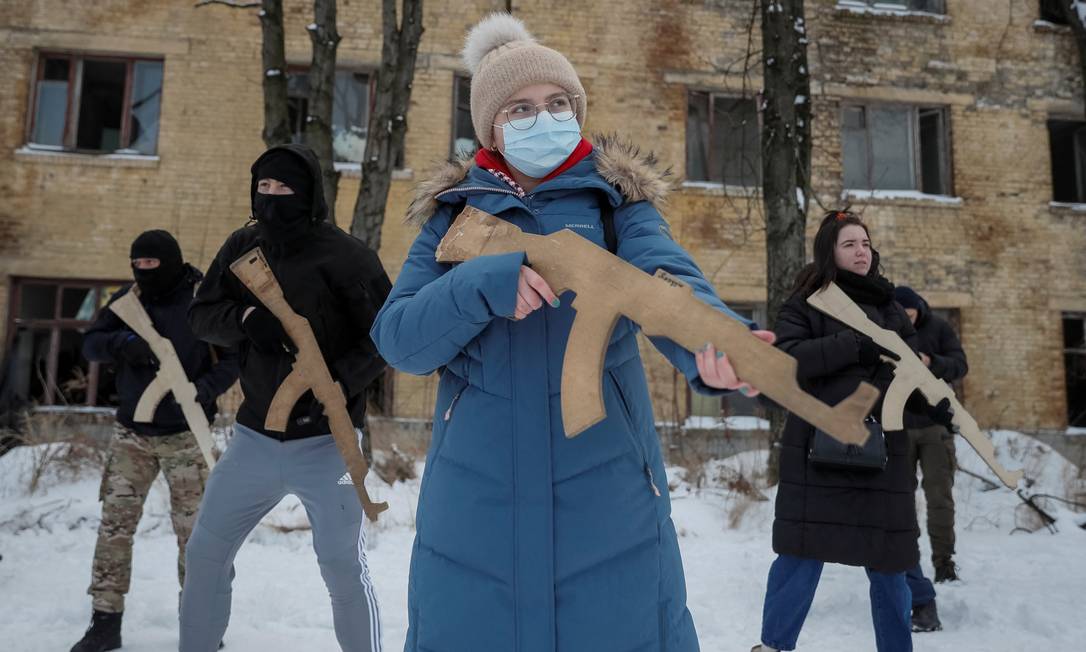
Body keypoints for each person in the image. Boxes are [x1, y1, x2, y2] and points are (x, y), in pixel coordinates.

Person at [370, 13, 771, 652]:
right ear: (491, 128)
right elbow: (398, 338)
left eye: (559, 103)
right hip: (476, 509)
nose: (545, 117)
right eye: (522, 108)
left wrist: (715, 338)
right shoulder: (452, 220)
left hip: (608, 494)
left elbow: (666, 276)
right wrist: (483, 283)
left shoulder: (616, 206)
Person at [180, 144, 392, 652]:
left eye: (284, 188)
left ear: (310, 193)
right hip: (253, 439)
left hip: (329, 445)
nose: (272, 197)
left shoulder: (348, 256)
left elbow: (386, 334)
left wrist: (339, 380)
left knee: (342, 565)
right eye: (264, 187)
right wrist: (248, 321)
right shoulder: (242, 245)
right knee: (206, 553)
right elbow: (201, 315)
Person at [751, 211, 954, 652]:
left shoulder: (891, 309)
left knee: (889, 565)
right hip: (816, 455)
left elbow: (908, 373)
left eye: (865, 243)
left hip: (882, 456)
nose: (861, 251)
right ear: (830, 253)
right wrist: (856, 344)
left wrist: (928, 396)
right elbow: (786, 360)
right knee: (800, 556)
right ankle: (773, 647)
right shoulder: (806, 302)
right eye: (849, 244)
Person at [73, 230, 239, 652]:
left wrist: (205, 388)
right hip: (133, 435)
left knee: (197, 537)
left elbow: (238, 355)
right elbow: (89, 344)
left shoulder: (203, 299)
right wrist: (123, 343)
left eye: (152, 265)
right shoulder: (128, 303)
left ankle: (199, 623)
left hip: (186, 436)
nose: (144, 272)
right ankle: (105, 621)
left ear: (171, 262)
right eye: (138, 266)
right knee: (114, 528)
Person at [894, 285, 968, 633]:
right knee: (900, 500)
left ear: (918, 310)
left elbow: (959, 364)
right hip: (900, 427)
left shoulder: (938, 328)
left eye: (909, 313)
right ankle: (909, 561)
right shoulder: (888, 329)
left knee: (940, 496)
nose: (905, 318)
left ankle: (944, 561)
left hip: (937, 426)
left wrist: (930, 362)